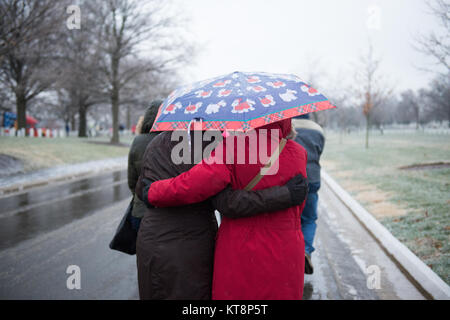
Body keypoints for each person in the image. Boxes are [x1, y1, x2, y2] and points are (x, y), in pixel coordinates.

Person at [135, 123, 308, 300]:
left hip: (242, 247)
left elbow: (194, 185)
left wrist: (153, 191)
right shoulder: (299, 153)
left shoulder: (232, 148)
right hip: (287, 248)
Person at [293, 113, 325, 274]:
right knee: (310, 218)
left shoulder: (289, 127)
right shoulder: (318, 129)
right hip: (312, 178)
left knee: (292, 218)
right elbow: (319, 152)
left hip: (292, 180)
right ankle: (305, 250)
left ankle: (291, 253)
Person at [127, 100, 162, 231]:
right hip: (167, 213)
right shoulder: (176, 141)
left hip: (141, 211)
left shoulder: (138, 141)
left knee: (144, 250)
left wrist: (140, 197)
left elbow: (132, 181)